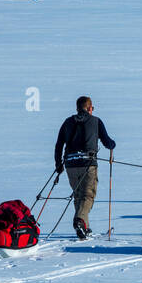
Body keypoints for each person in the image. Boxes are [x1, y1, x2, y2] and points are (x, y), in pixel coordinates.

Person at [54, 96, 116, 239]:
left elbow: (58, 145)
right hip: (88, 164)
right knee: (88, 195)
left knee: (78, 195)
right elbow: (107, 143)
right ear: (89, 108)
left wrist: (58, 164)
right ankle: (80, 221)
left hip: (70, 164)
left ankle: (83, 227)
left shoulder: (67, 122)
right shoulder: (96, 121)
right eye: (92, 108)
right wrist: (113, 144)